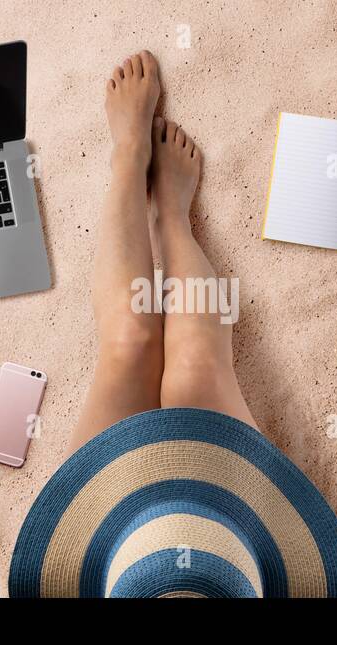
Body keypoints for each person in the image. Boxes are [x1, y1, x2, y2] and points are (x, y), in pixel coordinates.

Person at [68, 50, 257, 453]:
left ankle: (132, 163)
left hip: (118, 514)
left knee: (130, 339)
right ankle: (170, 217)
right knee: (196, 366)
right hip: (223, 513)